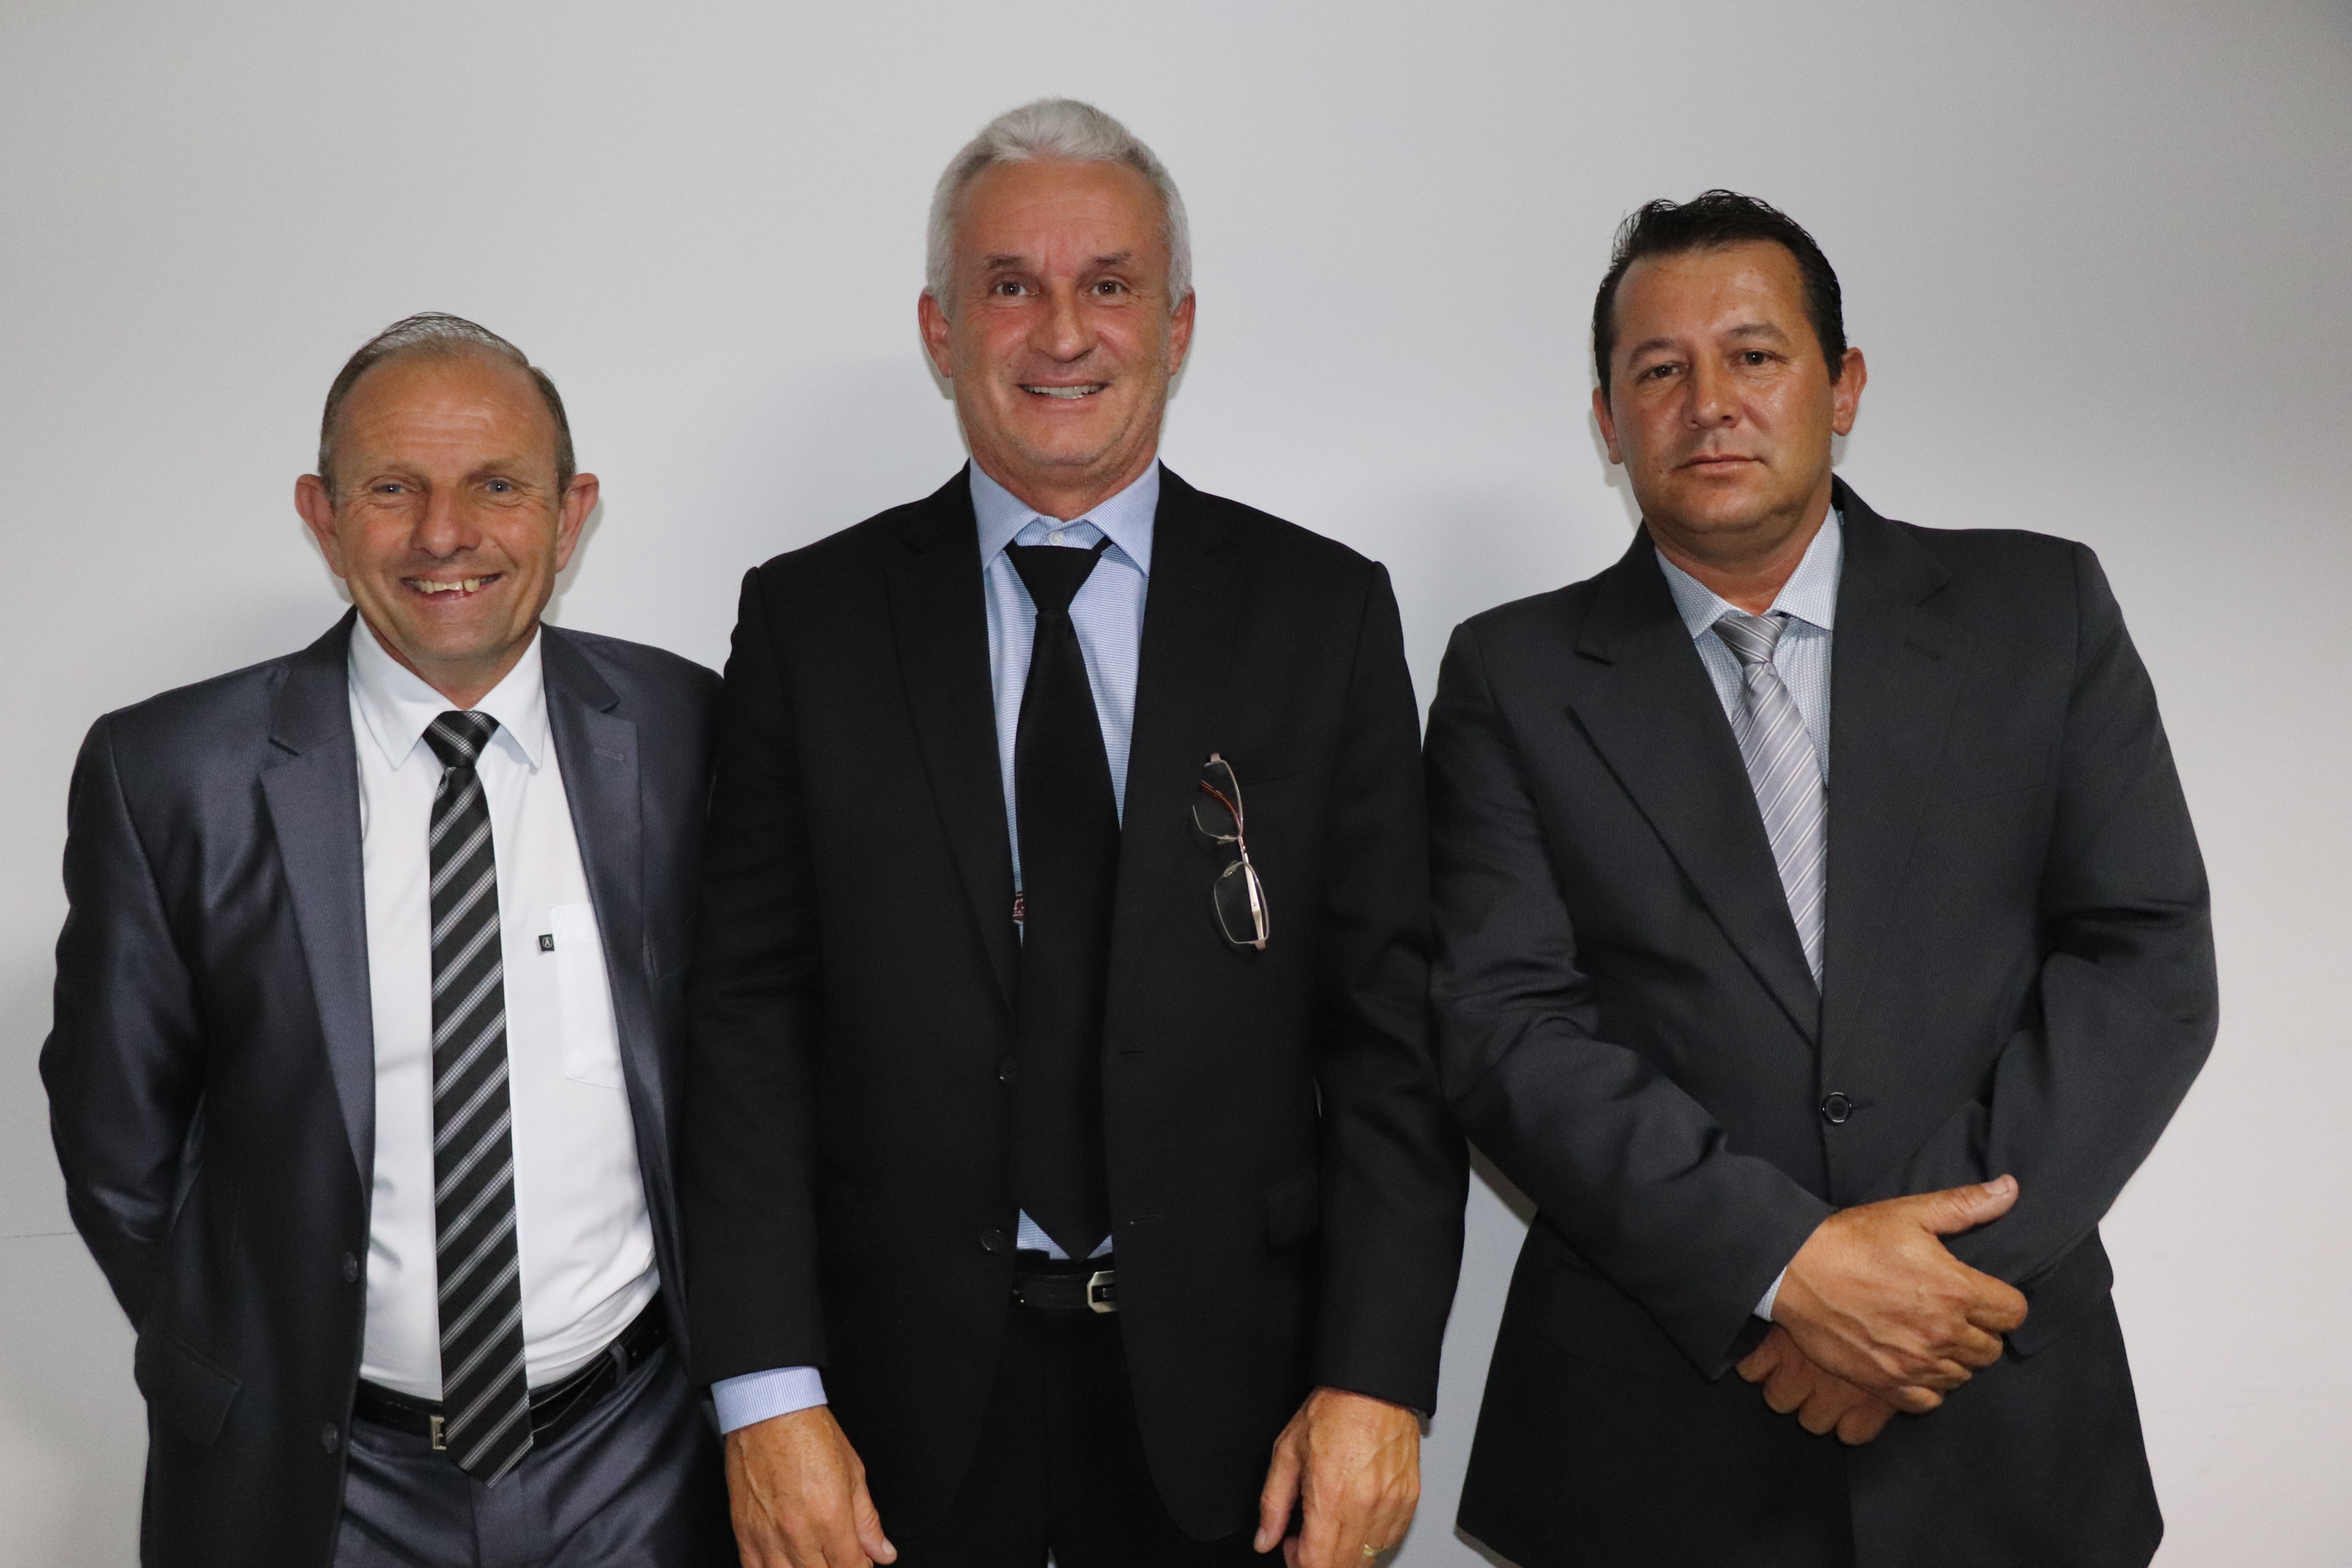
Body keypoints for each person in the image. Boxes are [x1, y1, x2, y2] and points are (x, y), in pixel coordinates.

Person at [682, 99, 1466, 1568]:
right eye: (1009, 285)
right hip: (880, 1422)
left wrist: (1377, 1380)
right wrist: (765, 1397)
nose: (1061, 332)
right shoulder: (811, 623)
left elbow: (1390, 1041)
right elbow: (745, 1029)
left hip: (1240, 1414)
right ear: (939, 330)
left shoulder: (1323, 617)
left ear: (1176, 325)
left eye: (1109, 284)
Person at [1426, 192, 2216, 1567]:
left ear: (1842, 386)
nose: (1708, 405)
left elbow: (2143, 962)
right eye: (1658, 371)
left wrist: (1920, 1292)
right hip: (1657, 1433)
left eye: (1754, 355)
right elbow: (1504, 1028)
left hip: (2000, 1409)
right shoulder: (1513, 675)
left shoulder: (2040, 613)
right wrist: (1786, 1270)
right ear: (1608, 422)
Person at [43, 314, 732, 1566]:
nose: (445, 535)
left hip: (636, 1458)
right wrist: (253, 1360)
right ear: (322, 516)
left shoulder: (691, 731)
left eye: (498, 486)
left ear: (571, 514)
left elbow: (757, 1080)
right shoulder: (172, 775)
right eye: (392, 489)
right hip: (322, 1486)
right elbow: (117, 1148)